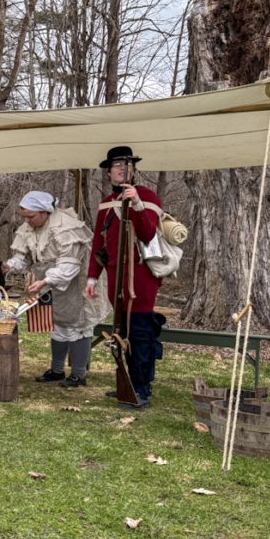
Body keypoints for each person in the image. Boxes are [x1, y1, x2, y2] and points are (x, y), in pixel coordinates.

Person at [85, 145, 165, 409]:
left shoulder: (147, 196)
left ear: (134, 169)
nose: (121, 169)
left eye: (126, 164)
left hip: (139, 277)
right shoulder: (107, 203)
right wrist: (92, 278)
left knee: (140, 332)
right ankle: (129, 381)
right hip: (115, 276)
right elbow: (99, 242)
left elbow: (147, 233)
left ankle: (142, 388)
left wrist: (137, 204)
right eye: (116, 165)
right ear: (109, 172)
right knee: (121, 332)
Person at [3, 190, 99, 387]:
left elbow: (70, 266)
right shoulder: (28, 227)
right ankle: (57, 370)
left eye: (31, 216)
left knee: (77, 325)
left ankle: (78, 375)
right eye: (24, 217)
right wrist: (10, 265)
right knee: (57, 325)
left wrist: (46, 280)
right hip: (47, 282)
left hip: (74, 282)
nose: (27, 221)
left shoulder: (65, 227)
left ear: (45, 212)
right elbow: (24, 257)